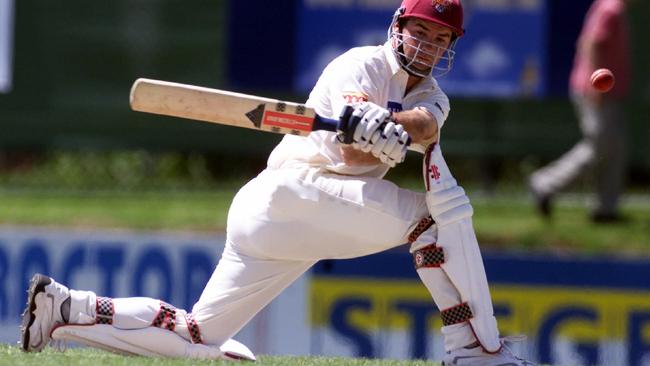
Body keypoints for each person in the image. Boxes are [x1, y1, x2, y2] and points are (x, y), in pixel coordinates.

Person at [21, 1, 534, 364]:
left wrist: (396, 127)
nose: (427, 45)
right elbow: (353, 142)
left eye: (439, 38)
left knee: (200, 335)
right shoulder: (360, 64)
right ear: (398, 26)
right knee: (430, 219)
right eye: (420, 31)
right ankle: (473, 351)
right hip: (294, 192)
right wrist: (365, 125)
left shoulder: (435, 95)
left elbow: (427, 123)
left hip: (288, 218)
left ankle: (66, 307)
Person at [528, 0, 631, 222]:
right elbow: (591, 43)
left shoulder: (612, 7)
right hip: (597, 92)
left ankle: (606, 210)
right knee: (599, 147)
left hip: (608, 93)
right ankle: (545, 184)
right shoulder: (610, 8)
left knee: (614, 149)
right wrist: (597, 88)